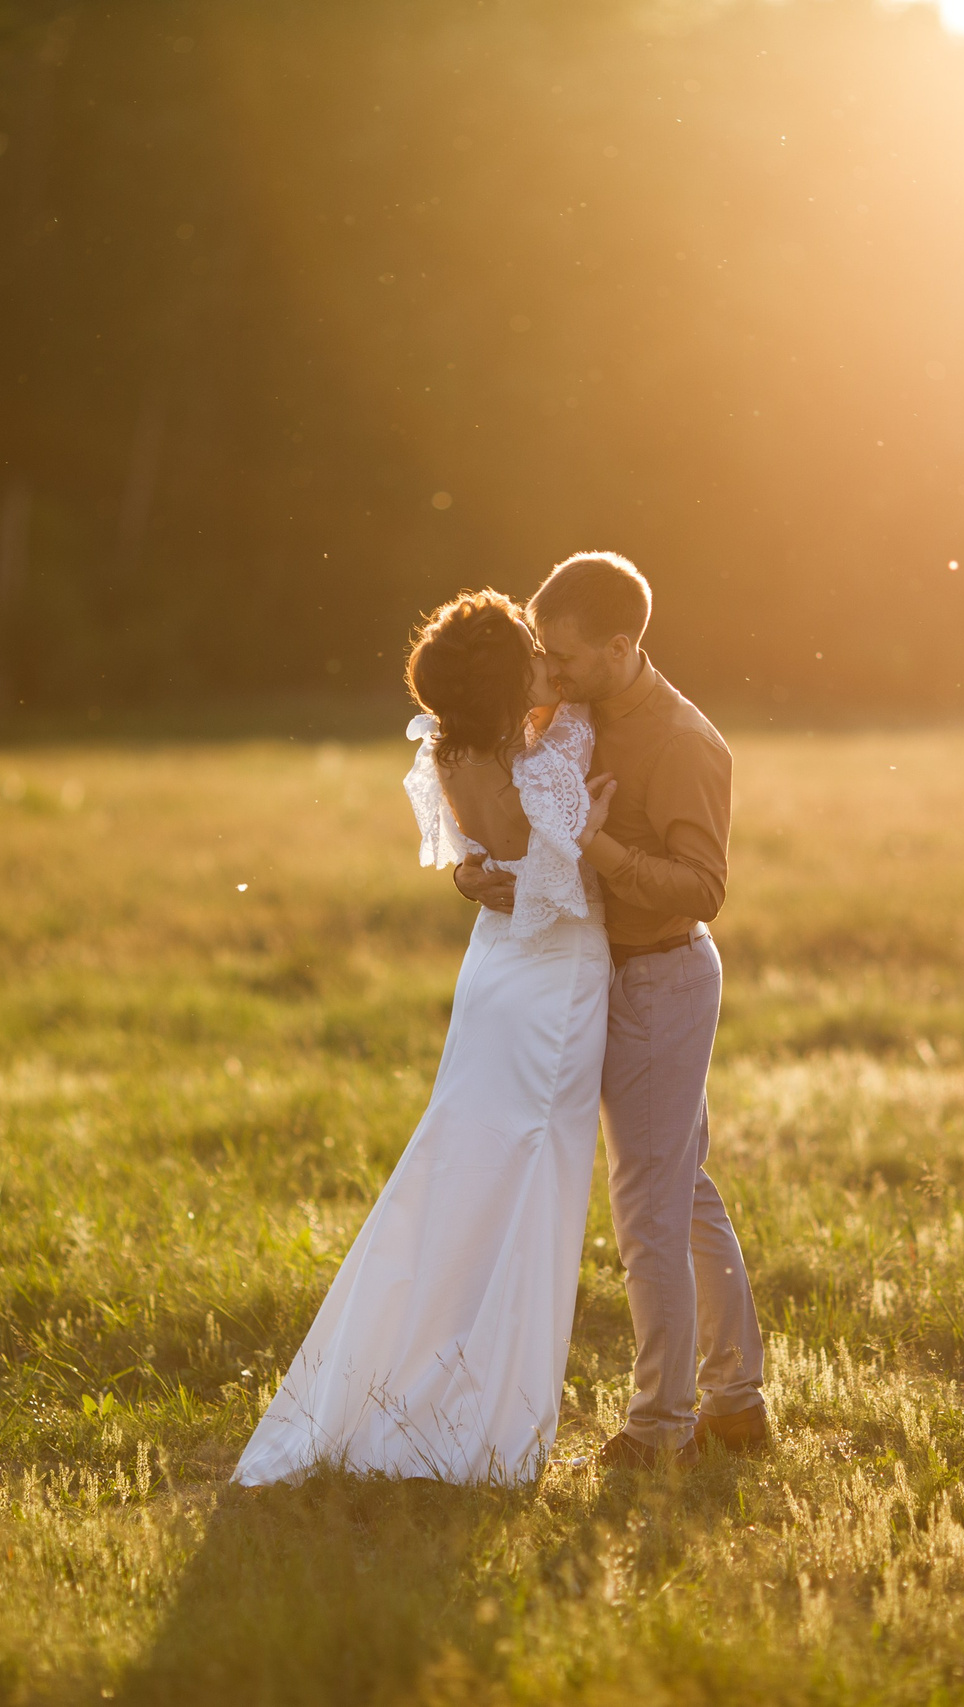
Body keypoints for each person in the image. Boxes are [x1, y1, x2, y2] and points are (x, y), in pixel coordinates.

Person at [234, 590, 618, 1485]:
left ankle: (407, 1388)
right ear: (506, 678)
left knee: (467, 1170)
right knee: (525, 1179)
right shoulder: (533, 758)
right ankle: (474, 1422)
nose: (546, 663)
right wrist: (586, 833)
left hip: (499, 974)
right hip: (549, 983)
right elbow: (549, 883)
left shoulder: (458, 749)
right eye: (531, 652)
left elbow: (488, 862)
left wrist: (485, 871)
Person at [454, 551, 768, 1468]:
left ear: (623, 647)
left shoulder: (685, 742)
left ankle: (659, 1426)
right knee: (681, 1193)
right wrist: (479, 872)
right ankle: (737, 1405)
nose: (547, 670)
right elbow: (515, 818)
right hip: (590, 975)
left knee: (647, 1209)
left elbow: (704, 889)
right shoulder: (567, 711)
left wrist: (600, 848)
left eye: (563, 656)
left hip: (660, 977)